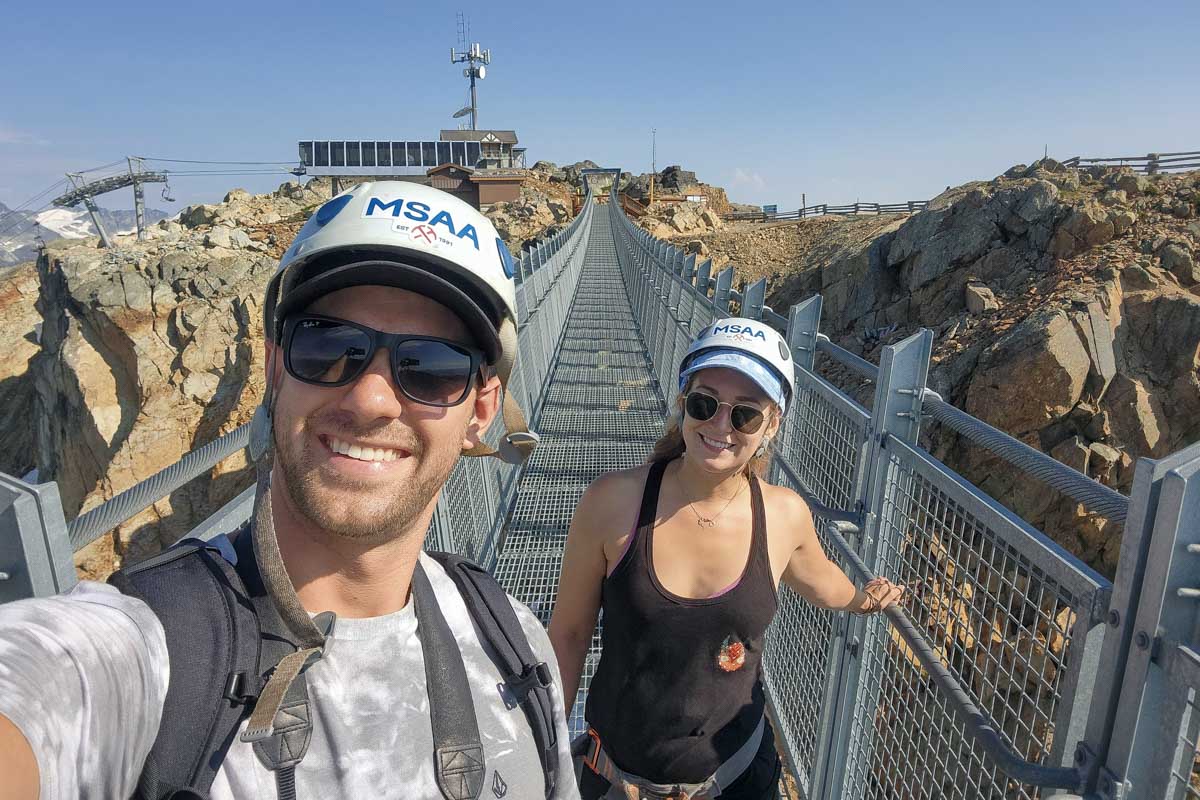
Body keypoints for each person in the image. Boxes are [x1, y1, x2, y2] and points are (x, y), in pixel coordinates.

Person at [0, 181, 580, 800]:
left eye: (432, 369)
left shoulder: (513, 638)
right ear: (276, 367)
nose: (370, 399)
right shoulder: (154, 650)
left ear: (482, 412)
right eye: (328, 347)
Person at [548, 317, 904, 800]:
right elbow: (568, 635)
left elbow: (823, 584)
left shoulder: (783, 516)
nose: (720, 426)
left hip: (737, 780)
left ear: (772, 424)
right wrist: (543, 747)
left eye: (745, 415)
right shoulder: (612, 503)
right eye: (704, 403)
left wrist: (864, 600)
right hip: (618, 780)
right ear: (683, 404)